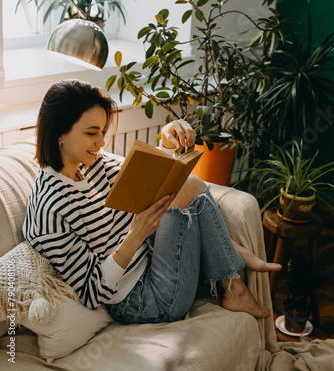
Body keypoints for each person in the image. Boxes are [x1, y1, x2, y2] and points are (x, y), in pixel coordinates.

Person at [23, 79, 281, 324]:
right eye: (92, 133)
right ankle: (234, 276)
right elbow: (92, 293)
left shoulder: (92, 163)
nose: (101, 142)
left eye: (102, 131)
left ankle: (232, 262)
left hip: (152, 260)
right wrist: (135, 236)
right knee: (188, 187)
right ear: (60, 132)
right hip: (142, 300)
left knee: (186, 183)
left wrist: (168, 140)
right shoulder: (51, 208)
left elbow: (153, 175)